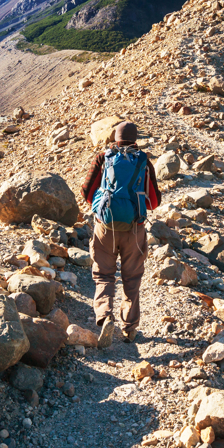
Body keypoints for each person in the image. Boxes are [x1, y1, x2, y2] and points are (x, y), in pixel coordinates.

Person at [80, 121, 160, 347]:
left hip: (105, 227)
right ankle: (129, 328)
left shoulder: (103, 158)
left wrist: (102, 210)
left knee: (104, 275)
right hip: (134, 229)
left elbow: (87, 192)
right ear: (135, 140)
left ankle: (105, 316)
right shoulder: (143, 161)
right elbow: (154, 201)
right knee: (132, 278)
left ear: (115, 138)